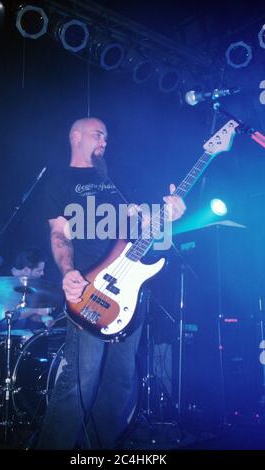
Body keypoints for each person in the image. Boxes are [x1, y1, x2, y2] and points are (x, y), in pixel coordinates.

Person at [37, 117, 186, 449]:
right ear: (75, 136)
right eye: (97, 133)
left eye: (106, 134)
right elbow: (60, 233)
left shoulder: (118, 178)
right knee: (80, 382)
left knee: (120, 384)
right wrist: (67, 272)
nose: (104, 139)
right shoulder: (59, 181)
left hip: (130, 291)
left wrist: (169, 216)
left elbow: (149, 228)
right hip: (88, 289)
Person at [0, 247, 54, 332]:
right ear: (26, 270)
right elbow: (5, 316)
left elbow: (25, 313)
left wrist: (43, 318)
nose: (42, 273)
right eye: (39, 271)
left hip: (15, 336)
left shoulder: (27, 286)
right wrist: (36, 309)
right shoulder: (6, 284)